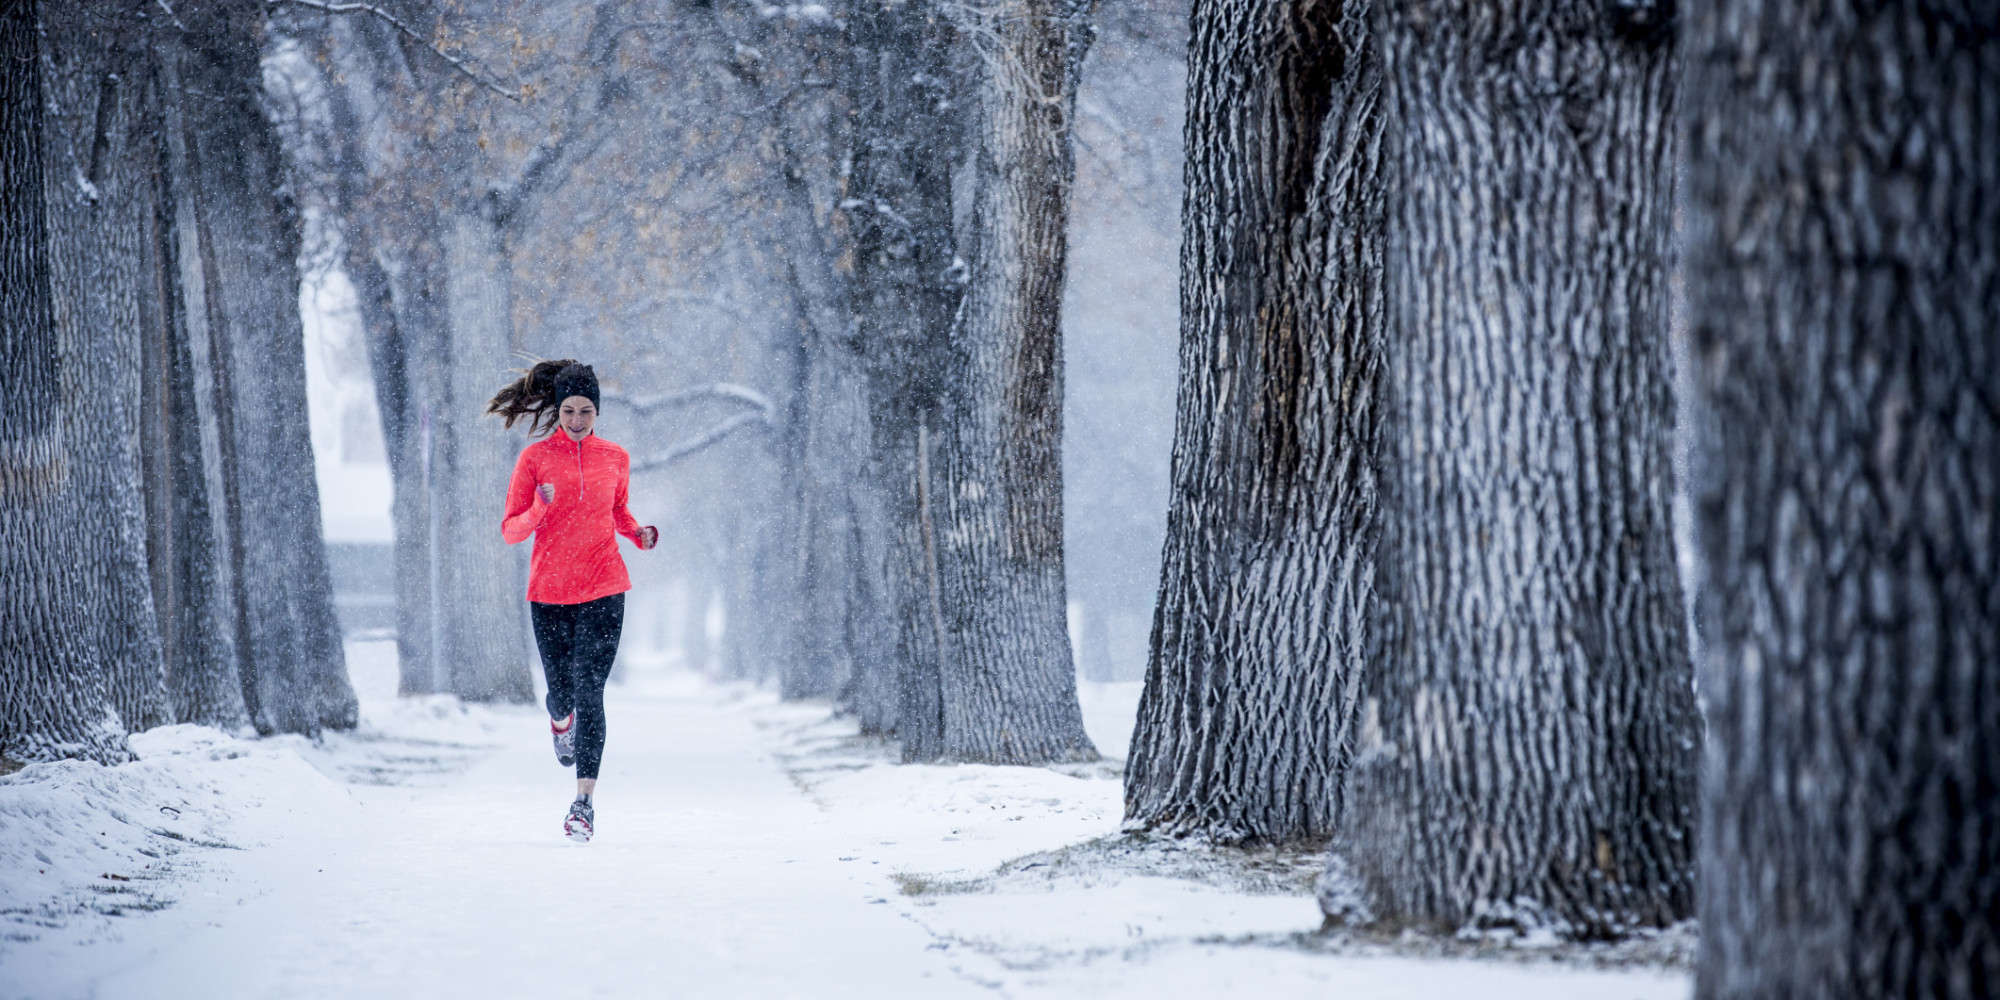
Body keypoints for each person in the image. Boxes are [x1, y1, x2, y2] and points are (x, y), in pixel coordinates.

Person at [488, 360, 657, 842]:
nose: (577, 419)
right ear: (557, 410)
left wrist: (639, 534)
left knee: (590, 690)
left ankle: (583, 804)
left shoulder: (615, 457)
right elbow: (510, 530)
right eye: (569, 410)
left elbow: (618, 512)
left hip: (605, 588)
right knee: (562, 693)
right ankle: (558, 720)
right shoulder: (535, 460)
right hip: (550, 592)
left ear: (597, 412)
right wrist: (540, 506)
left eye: (586, 411)